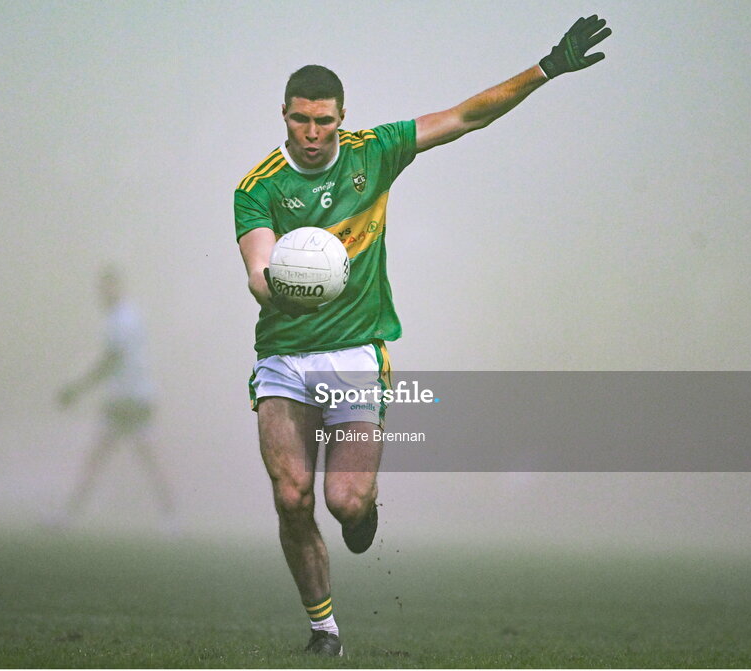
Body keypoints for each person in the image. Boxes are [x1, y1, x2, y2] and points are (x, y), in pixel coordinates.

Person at [234, 16, 611, 656]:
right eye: (302, 119)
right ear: (284, 116)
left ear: (341, 116)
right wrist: (289, 285)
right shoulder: (259, 186)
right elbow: (258, 273)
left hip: (354, 353)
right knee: (292, 496)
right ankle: (323, 630)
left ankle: (365, 508)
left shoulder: (372, 152)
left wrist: (546, 69)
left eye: (325, 120)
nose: (314, 133)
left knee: (345, 502)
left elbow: (465, 117)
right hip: (284, 359)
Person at [55, 266, 177, 530]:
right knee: (105, 459)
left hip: (130, 400)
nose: (104, 292)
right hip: (128, 398)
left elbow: (110, 360)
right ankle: (68, 516)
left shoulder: (122, 320)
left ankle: (170, 520)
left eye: (109, 286)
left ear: (118, 287)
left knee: (140, 460)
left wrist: (76, 389)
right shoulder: (122, 317)